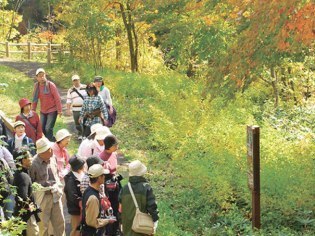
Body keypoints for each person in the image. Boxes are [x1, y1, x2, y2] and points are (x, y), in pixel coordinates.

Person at [29, 137, 65, 236]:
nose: (52, 150)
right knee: (42, 227)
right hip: (43, 197)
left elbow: (56, 174)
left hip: (55, 194)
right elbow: (31, 183)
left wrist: (58, 186)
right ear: (42, 152)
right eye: (49, 149)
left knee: (60, 224)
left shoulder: (53, 157)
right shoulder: (33, 164)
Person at [119, 160, 159, 235]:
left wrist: (121, 222)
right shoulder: (146, 188)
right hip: (142, 228)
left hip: (127, 228)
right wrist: (155, 221)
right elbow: (152, 207)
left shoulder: (124, 188)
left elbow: (120, 208)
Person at [81, 164, 115, 236]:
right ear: (99, 178)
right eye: (103, 175)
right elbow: (92, 222)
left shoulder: (89, 190)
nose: (104, 177)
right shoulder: (93, 197)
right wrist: (108, 220)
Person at [12, 148, 40, 236]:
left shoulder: (18, 173)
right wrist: (30, 207)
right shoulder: (23, 176)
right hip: (27, 217)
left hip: (21, 216)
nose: (31, 158)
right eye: (29, 156)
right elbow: (23, 197)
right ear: (23, 160)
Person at [32, 68, 62, 141]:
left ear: (45, 75)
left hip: (52, 110)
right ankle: (48, 142)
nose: (42, 77)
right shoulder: (36, 86)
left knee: (48, 128)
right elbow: (35, 99)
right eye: (40, 76)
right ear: (37, 77)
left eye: (43, 75)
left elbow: (57, 98)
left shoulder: (50, 85)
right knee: (41, 128)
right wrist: (33, 110)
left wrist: (59, 110)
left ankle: (51, 143)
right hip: (43, 110)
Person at [99, 134, 120, 235]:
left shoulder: (114, 154)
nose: (117, 147)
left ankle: (115, 229)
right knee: (108, 208)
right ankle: (109, 231)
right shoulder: (101, 157)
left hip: (115, 185)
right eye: (116, 145)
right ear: (110, 146)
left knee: (116, 207)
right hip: (107, 188)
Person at [64, 155, 85, 236]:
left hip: (84, 207)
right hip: (76, 209)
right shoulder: (70, 179)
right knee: (77, 228)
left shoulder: (83, 174)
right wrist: (81, 202)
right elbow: (73, 196)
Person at [66, 75, 87, 140]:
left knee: (85, 122)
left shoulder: (85, 87)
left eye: (77, 80)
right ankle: (80, 134)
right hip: (75, 109)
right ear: (72, 82)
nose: (76, 82)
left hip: (85, 109)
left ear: (79, 80)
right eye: (74, 80)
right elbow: (69, 100)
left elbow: (90, 96)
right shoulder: (70, 90)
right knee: (77, 123)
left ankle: (85, 134)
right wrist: (68, 109)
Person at [0, 147, 14, 220]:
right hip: (6, 193)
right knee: (8, 217)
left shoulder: (2, 162)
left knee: (9, 218)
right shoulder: (2, 161)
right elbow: (10, 178)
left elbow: (10, 177)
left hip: (6, 194)